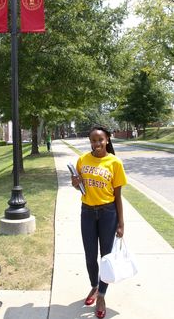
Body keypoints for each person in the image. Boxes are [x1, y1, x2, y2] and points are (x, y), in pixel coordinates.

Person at [71, 125, 127, 318]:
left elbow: (118, 196)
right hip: (87, 212)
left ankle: (102, 295)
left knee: (106, 257)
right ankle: (94, 286)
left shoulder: (115, 163)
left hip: (108, 213)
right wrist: (76, 184)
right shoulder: (82, 160)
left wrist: (121, 222)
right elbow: (81, 187)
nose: (97, 143)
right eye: (93, 140)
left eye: (100, 140)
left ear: (107, 140)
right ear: (90, 142)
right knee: (89, 255)